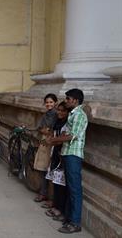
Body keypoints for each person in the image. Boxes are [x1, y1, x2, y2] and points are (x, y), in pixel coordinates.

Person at [47, 88, 88, 234]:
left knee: (75, 189)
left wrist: (54, 139)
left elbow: (72, 136)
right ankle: (69, 218)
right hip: (67, 153)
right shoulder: (73, 114)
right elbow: (66, 133)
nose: (66, 101)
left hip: (73, 155)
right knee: (69, 188)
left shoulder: (79, 115)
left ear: (75, 101)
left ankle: (75, 222)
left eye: (68, 99)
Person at [44, 102, 69, 222]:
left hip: (62, 154)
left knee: (61, 184)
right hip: (55, 153)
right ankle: (55, 205)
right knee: (55, 182)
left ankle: (60, 208)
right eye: (58, 110)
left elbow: (61, 140)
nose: (60, 112)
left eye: (63, 111)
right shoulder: (57, 122)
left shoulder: (67, 124)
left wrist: (51, 140)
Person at [34, 93, 58, 205]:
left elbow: (53, 130)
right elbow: (40, 128)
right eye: (47, 102)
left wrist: (46, 131)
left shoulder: (57, 115)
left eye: (51, 102)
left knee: (50, 169)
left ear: (55, 103)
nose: (49, 104)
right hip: (44, 142)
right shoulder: (46, 115)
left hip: (52, 143)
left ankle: (51, 197)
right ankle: (43, 193)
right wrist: (45, 131)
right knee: (42, 169)